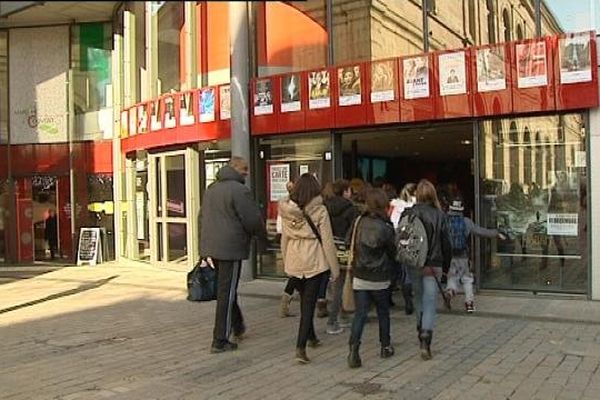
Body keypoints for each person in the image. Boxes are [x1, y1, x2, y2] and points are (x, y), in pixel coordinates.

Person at [200, 156, 267, 354]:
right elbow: (252, 219)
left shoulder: (211, 189)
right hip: (231, 248)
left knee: (227, 290)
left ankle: (238, 325)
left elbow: (201, 218)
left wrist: (203, 250)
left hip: (213, 248)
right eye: (244, 169)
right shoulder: (240, 190)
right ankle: (219, 339)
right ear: (235, 168)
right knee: (226, 293)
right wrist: (263, 238)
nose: (247, 172)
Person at [279, 173, 340, 364]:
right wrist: (335, 269)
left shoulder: (286, 210)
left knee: (306, 298)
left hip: (295, 258)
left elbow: (285, 238)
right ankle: (300, 347)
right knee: (308, 306)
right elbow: (328, 241)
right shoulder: (320, 210)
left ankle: (312, 337)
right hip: (314, 259)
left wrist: (285, 259)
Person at [347, 188, 397, 368]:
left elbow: (348, 243)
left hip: (360, 275)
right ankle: (385, 346)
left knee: (360, 314)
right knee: (383, 313)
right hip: (380, 277)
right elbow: (393, 252)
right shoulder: (386, 227)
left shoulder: (358, 222)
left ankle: (354, 349)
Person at [402, 179, 451, 360]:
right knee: (430, 302)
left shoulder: (409, 213)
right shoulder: (439, 215)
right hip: (433, 264)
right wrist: (446, 267)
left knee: (418, 298)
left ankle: (419, 328)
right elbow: (447, 243)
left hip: (414, 262)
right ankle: (425, 338)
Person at [445, 198, 505, 313]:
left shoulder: (445, 221)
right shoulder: (466, 222)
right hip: (463, 255)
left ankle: (450, 291)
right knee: (467, 279)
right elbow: (480, 231)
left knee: (452, 276)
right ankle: (469, 303)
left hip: (450, 256)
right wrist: (496, 233)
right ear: (462, 209)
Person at [323, 179, 359, 334]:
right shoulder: (351, 208)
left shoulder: (325, 207)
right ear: (345, 191)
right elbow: (354, 231)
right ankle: (333, 321)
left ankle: (342, 314)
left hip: (329, 247)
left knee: (334, 283)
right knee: (340, 283)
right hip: (344, 248)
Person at [389, 183, 417, 314]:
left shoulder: (395, 206)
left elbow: (392, 224)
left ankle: (391, 298)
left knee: (396, 271)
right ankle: (409, 301)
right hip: (412, 242)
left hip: (397, 241)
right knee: (409, 272)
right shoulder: (416, 207)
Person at [278, 180, 298, 318]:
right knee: (298, 276)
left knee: (296, 276)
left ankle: (285, 302)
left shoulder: (283, 206)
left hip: (288, 243)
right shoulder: (297, 208)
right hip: (297, 245)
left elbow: (280, 227)